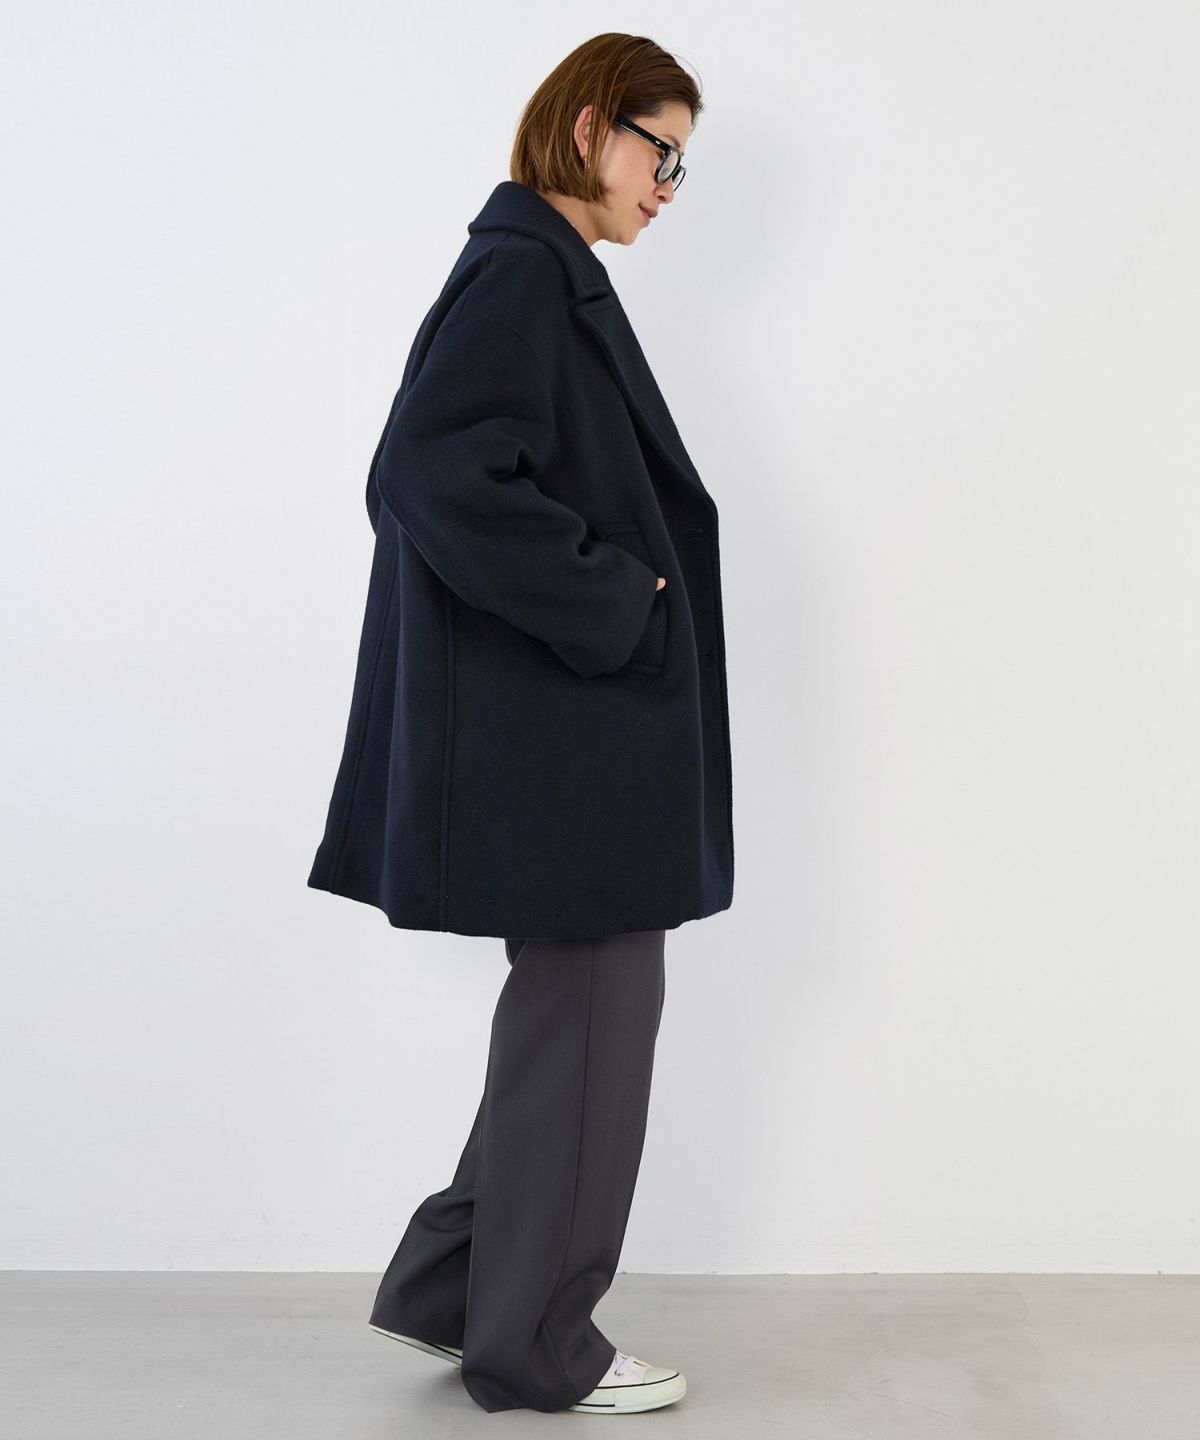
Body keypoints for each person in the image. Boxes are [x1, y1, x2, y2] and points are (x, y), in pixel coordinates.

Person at [306, 32, 734, 1415]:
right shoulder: (523, 274)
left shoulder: (539, 272)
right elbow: (427, 472)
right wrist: (614, 597)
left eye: (681, 163)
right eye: (660, 151)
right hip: (566, 743)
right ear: (591, 128)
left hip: (562, 738)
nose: (668, 185)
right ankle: (538, 1342)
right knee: (594, 1024)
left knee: (571, 1028)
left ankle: (453, 1289)